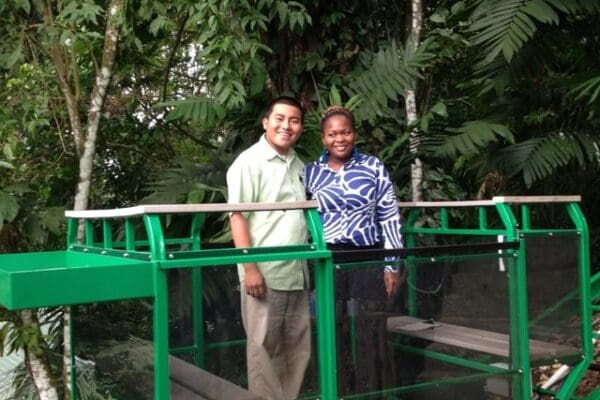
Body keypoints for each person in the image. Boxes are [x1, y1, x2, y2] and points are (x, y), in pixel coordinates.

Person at [304, 105, 404, 394]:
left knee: (368, 331)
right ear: (323, 138)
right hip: (328, 260)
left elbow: (389, 216)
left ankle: (370, 391)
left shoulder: (373, 167)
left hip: (367, 257)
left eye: (345, 132)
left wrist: (391, 265)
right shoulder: (310, 173)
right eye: (332, 134)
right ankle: (337, 391)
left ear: (354, 134)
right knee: (331, 331)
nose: (340, 139)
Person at [226, 96, 310, 400]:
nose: (286, 126)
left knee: (297, 349)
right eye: (280, 118)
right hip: (264, 274)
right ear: (266, 122)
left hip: (298, 272)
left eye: (294, 120)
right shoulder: (248, 162)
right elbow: (238, 217)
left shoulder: (299, 163)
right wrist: (250, 269)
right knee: (263, 349)